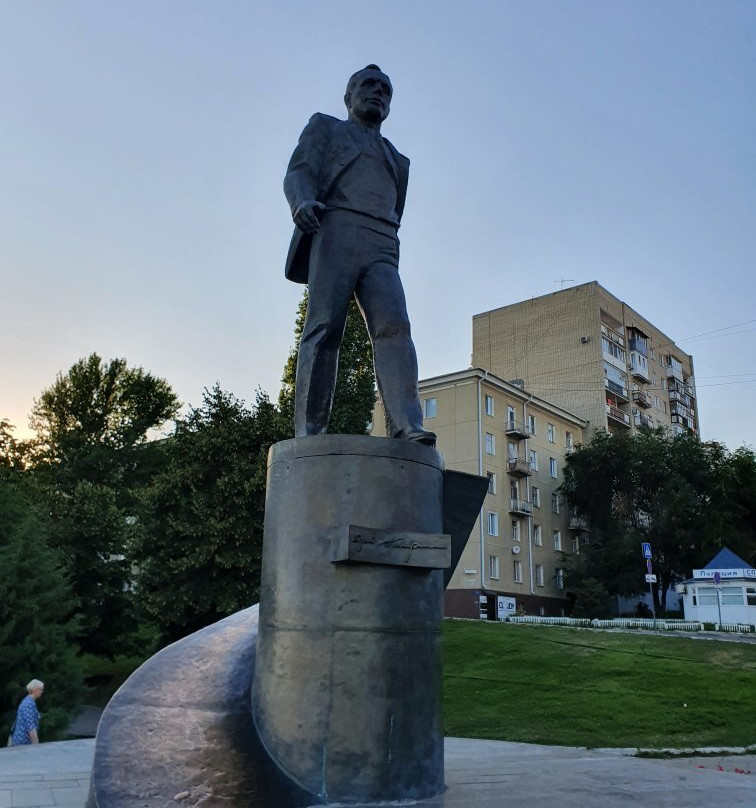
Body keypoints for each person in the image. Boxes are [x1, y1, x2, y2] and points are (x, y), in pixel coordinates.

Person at [284, 64, 436, 446]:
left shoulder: (397, 160)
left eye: (385, 89)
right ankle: (309, 430)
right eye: (368, 85)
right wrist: (301, 201)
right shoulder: (326, 128)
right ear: (348, 97)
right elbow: (298, 171)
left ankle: (406, 426)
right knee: (324, 328)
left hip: (382, 240)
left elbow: (396, 207)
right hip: (335, 229)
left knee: (395, 327)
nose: (378, 93)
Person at [9, 679, 44, 745]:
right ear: (35, 690)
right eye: (41, 689)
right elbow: (31, 728)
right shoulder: (28, 704)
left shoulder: (30, 701)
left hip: (24, 742)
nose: (42, 691)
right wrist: (37, 745)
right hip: (22, 744)